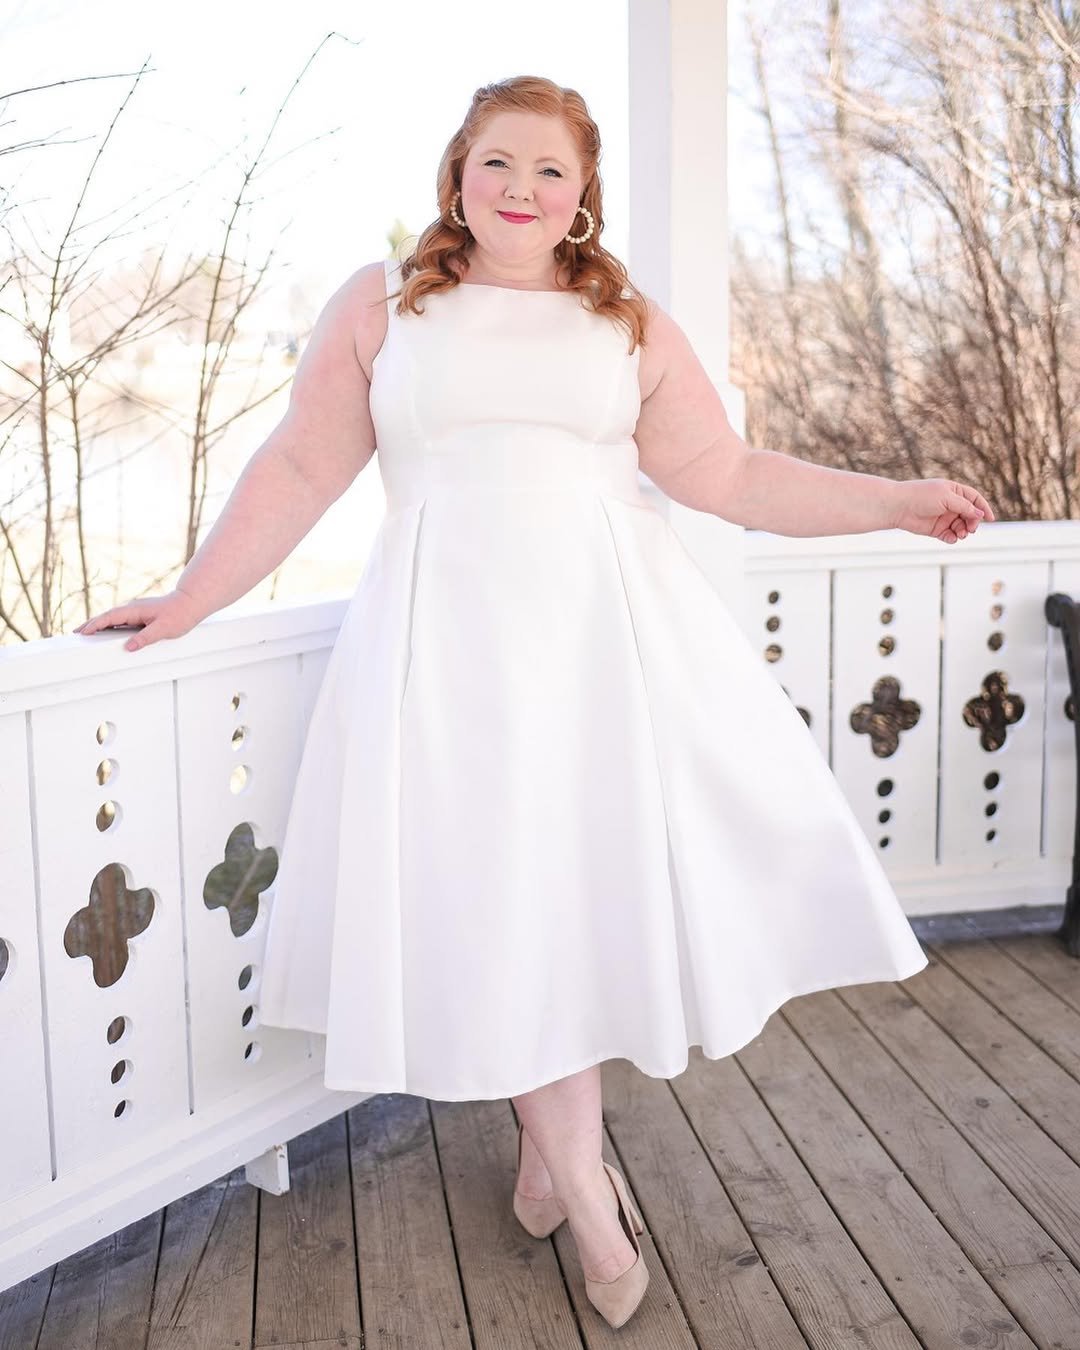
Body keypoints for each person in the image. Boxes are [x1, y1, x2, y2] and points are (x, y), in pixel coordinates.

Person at [74, 75, 995, 1332]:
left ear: (582, 196)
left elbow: (729, 477)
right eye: (497, 163)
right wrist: (190, 598)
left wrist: (896, 502)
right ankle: (589, 1195)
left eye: (550, 170)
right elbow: (299, 465)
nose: (521, 188)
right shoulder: (384, 305)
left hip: (608, 656)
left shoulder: (626, 321)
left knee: (571, 903)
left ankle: (557, 1160)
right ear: (458, 176)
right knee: (504, 904)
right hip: (446, 659)